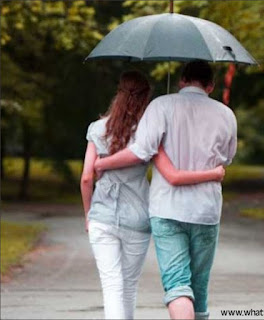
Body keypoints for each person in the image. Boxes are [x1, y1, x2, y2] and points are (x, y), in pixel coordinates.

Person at [94, 61, 238, 320]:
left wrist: (102, 162)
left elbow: (141, 150)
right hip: (206, 211)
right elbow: (227, 159)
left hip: (168, 210)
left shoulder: (161, 105)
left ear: (182, 80)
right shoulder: (226, 115)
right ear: (211, 86)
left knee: (177, 286)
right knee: (199, 288)